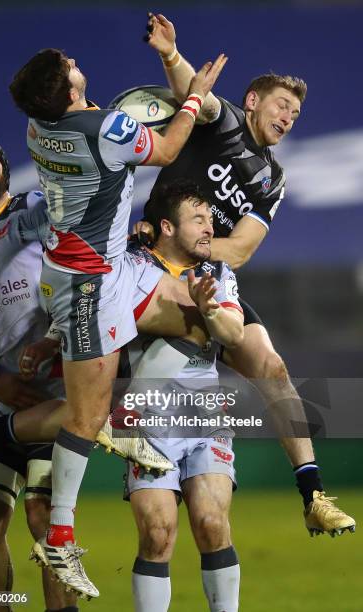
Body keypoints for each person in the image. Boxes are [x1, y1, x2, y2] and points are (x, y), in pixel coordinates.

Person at [8, 48, 237, 598]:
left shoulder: (39, 128)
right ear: (67, 90)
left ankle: (152, 422)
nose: (70, 58)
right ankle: (58, 533)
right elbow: (167, 148)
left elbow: (107, 130)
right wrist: (190, 101)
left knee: (195, 320)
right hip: (89, 287)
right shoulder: (100, 129)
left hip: (93, 269)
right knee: (84, 418)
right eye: (65, 65)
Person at [140, 13, 355, 536]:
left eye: (298, 114)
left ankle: (313, 495)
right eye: (283, 105)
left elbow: (240, 250)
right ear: (254, 101)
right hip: (149, 264)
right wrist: (170, 54)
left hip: (210, 277)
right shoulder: (226, 121)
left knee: (272, 368)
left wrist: (198, 245)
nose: (289, 118)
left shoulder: (273, 179)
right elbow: (200, 95)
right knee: (82, 361)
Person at [0, 137, 78, 612]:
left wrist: (56, 338)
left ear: (6, 171)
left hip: (52, 392)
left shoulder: (33, 211)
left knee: (43, 514)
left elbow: (77, 269)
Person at [123, 179, 242, 612]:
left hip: (205, 414)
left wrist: (209, 310)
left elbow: (234, 332)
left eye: (211, 219)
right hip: (150, 419)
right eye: (199, 219)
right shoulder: (133, 267)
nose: (210, 228)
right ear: (167, 227)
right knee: (158, 532)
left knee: (212, 524)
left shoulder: (218, 274)